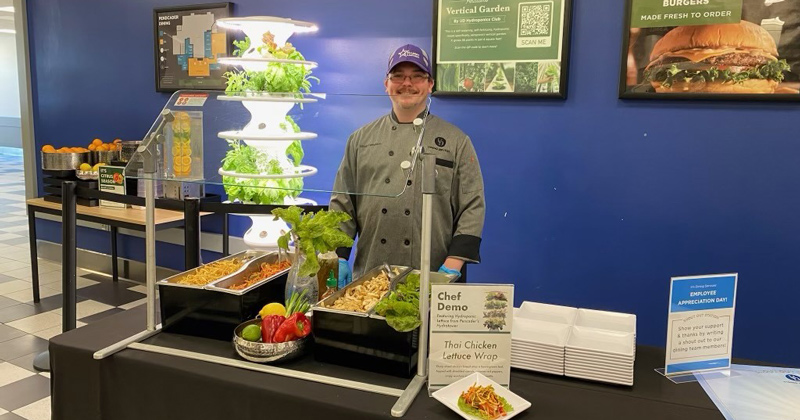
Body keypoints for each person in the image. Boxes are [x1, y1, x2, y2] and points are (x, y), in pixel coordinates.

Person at [329, 44, 485, 286]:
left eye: (417, 76)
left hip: (433, 273)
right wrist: (337, 257)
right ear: (386, 83)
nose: (407, 83)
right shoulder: (360, 139)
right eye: (398, 76)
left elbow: (472, 205)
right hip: (371, 272)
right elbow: (342, 203)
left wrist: (452, 265)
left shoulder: (456, 141)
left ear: (430, 84)